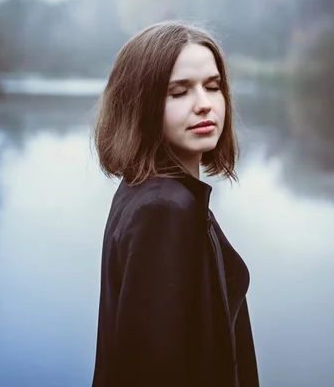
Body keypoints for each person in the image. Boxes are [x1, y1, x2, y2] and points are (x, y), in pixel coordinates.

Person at [91, 21, 259, 387]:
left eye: (213, 87)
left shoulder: (150, 193)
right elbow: (153, 370)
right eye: (179, 92)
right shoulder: (164, 209)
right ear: (141, 105)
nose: (204, 105)